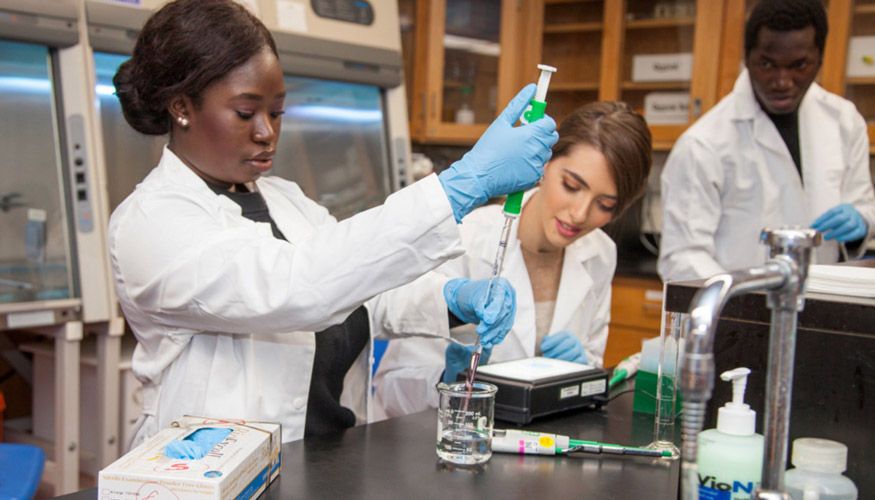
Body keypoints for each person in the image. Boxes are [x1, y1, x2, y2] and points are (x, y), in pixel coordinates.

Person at [108, 0, 558, 446]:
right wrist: (461, 186)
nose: (267, 132)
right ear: (182, 108)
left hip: (327, 466)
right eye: (246, 113)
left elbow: (360, 285)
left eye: (277, 112)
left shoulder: (286, 201)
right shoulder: (150, 222)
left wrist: (453, 300)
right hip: (210, 478)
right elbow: (296, 288)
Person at [373, 102, 653, 418]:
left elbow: (590, 370)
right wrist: (449, 380)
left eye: (604, 205)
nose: (580, 214)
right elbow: (391, 388)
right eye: (571, 186)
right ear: (546, 162)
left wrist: (581, 371)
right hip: (442, 442)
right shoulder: (462, 239)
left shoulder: (600, 252)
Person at [658, 0, 875, 283]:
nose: (782, 81)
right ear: (748, 57)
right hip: (741, 315)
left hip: (825, 300)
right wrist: (747, 301)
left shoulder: (844, 120)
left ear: (819, 59)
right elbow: (682, 257)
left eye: (799, 65)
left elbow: (864, 203)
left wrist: (862, 220)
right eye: (768, 64)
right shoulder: (704, 142)